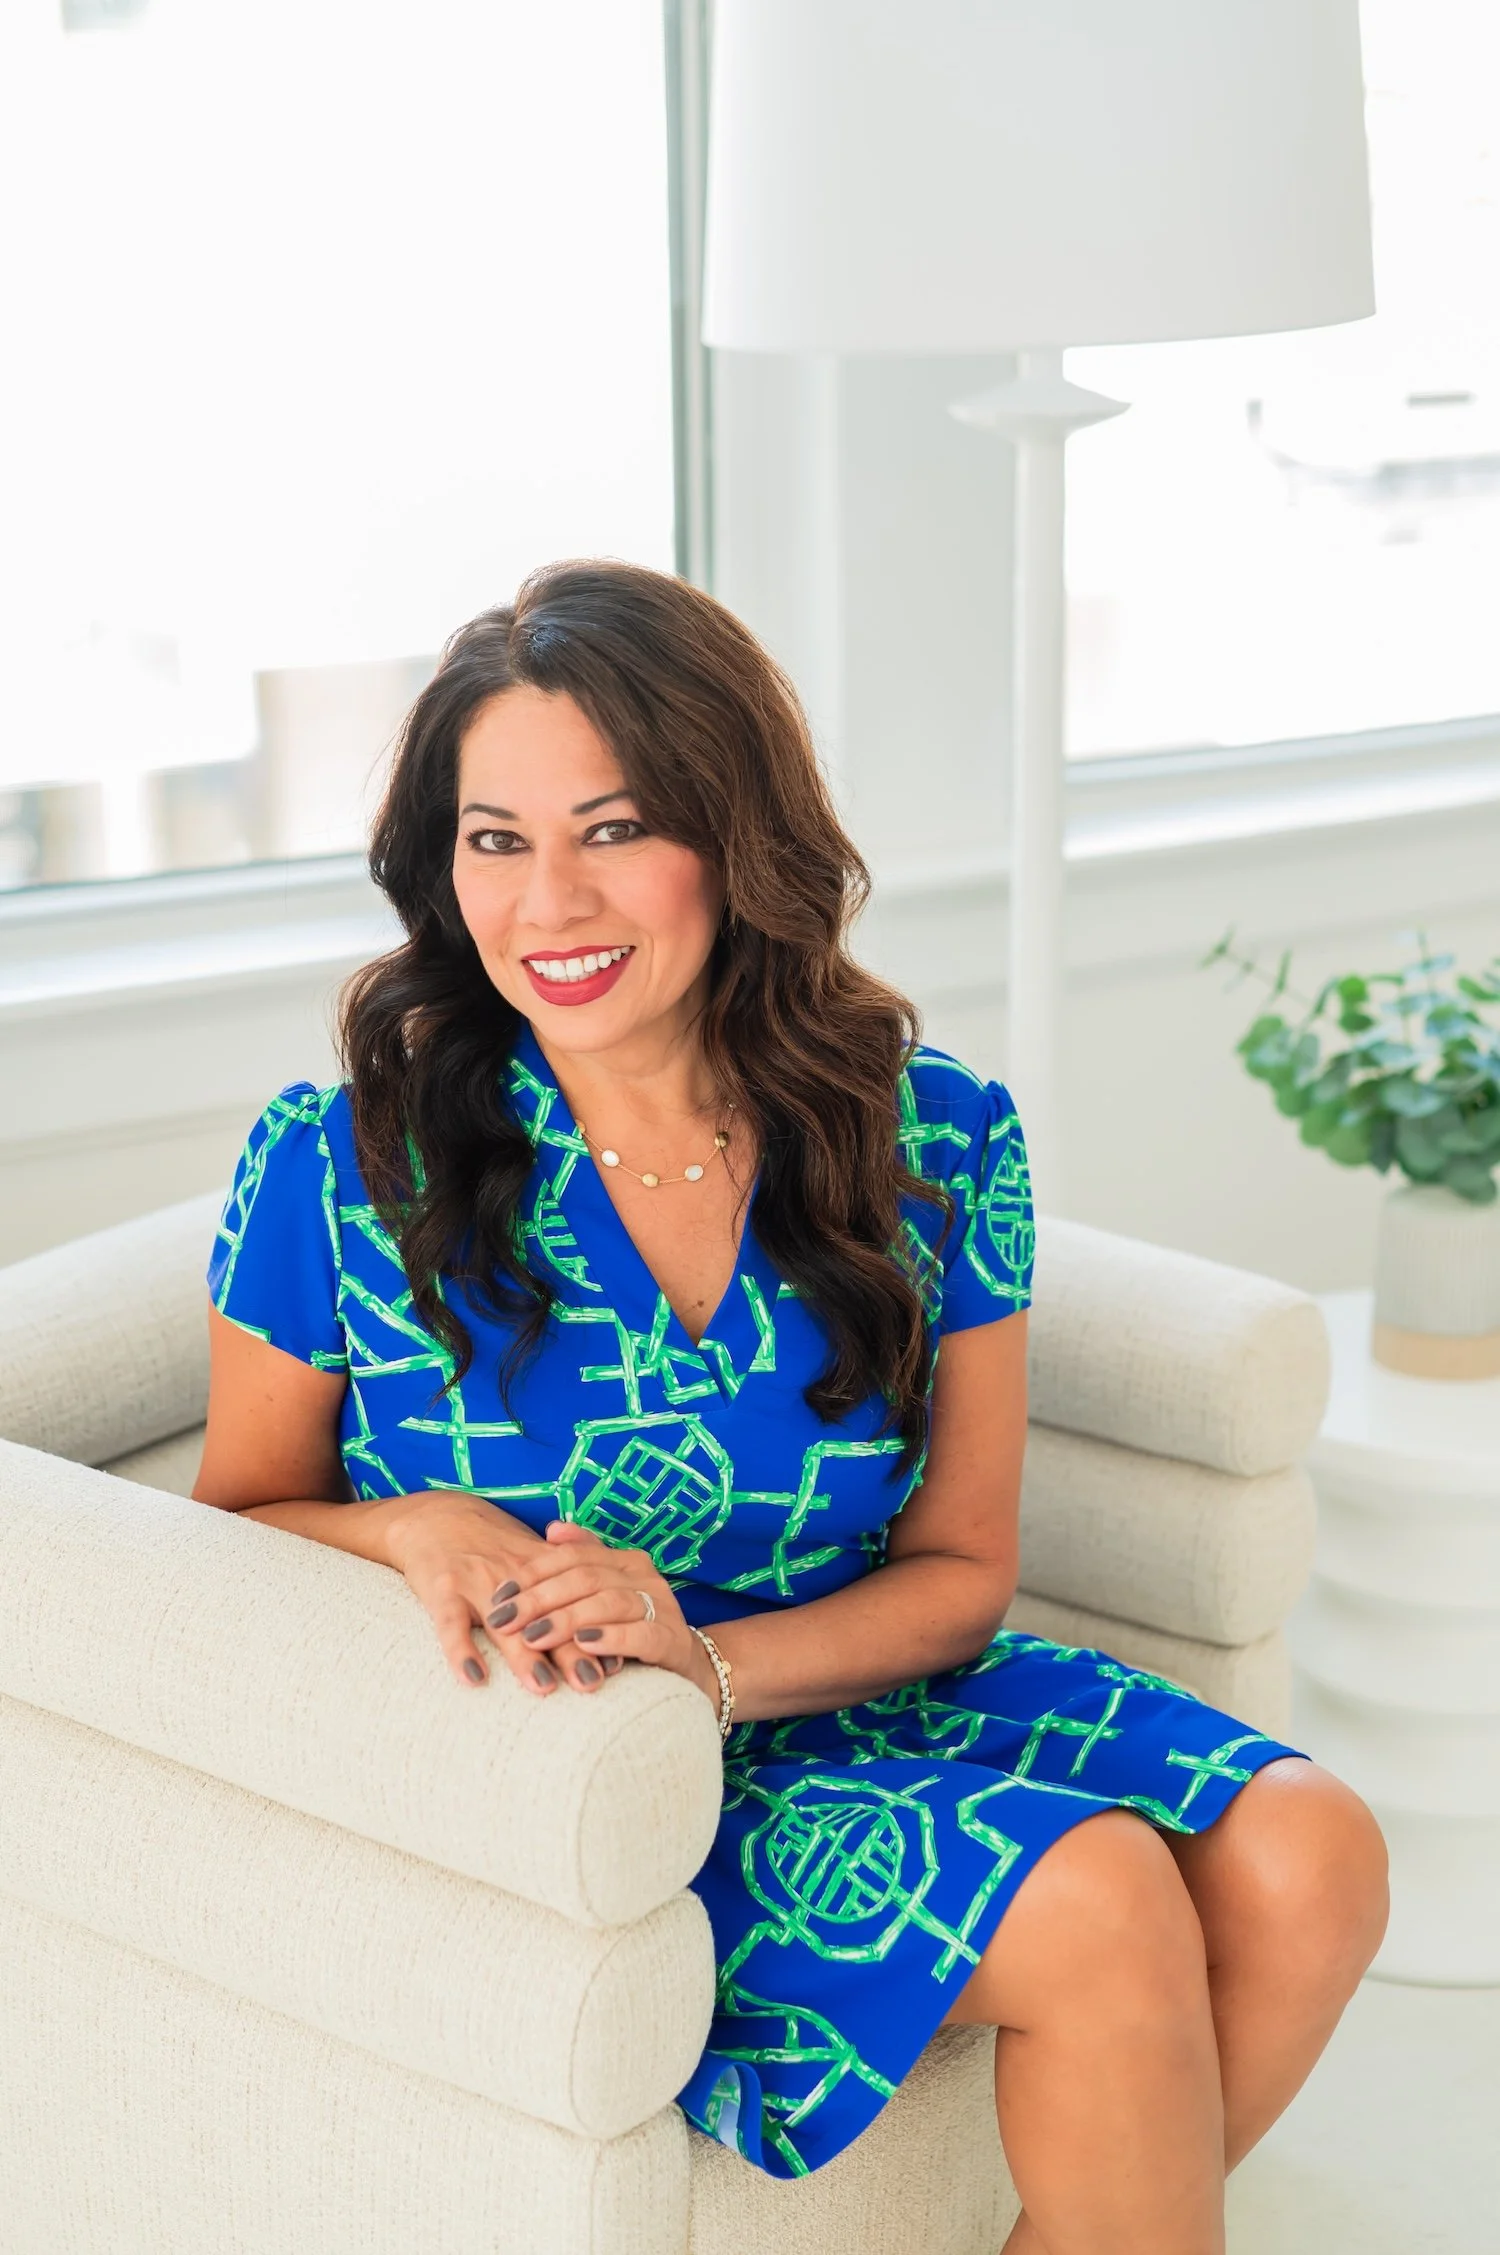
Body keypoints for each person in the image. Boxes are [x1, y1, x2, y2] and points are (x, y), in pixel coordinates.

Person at [194, 558, 1388, 2249]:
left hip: (841, 1682)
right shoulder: (335, 1166)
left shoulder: (934, 1135)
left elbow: (965, 1563)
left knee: (1315, 1851)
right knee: (1102, 1892)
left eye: (614, 829)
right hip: (624, 1770)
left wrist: (725, 1655)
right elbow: (231, 1523)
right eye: (496, 839)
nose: (550, 903)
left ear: (733, 833)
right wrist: (410, 1523)